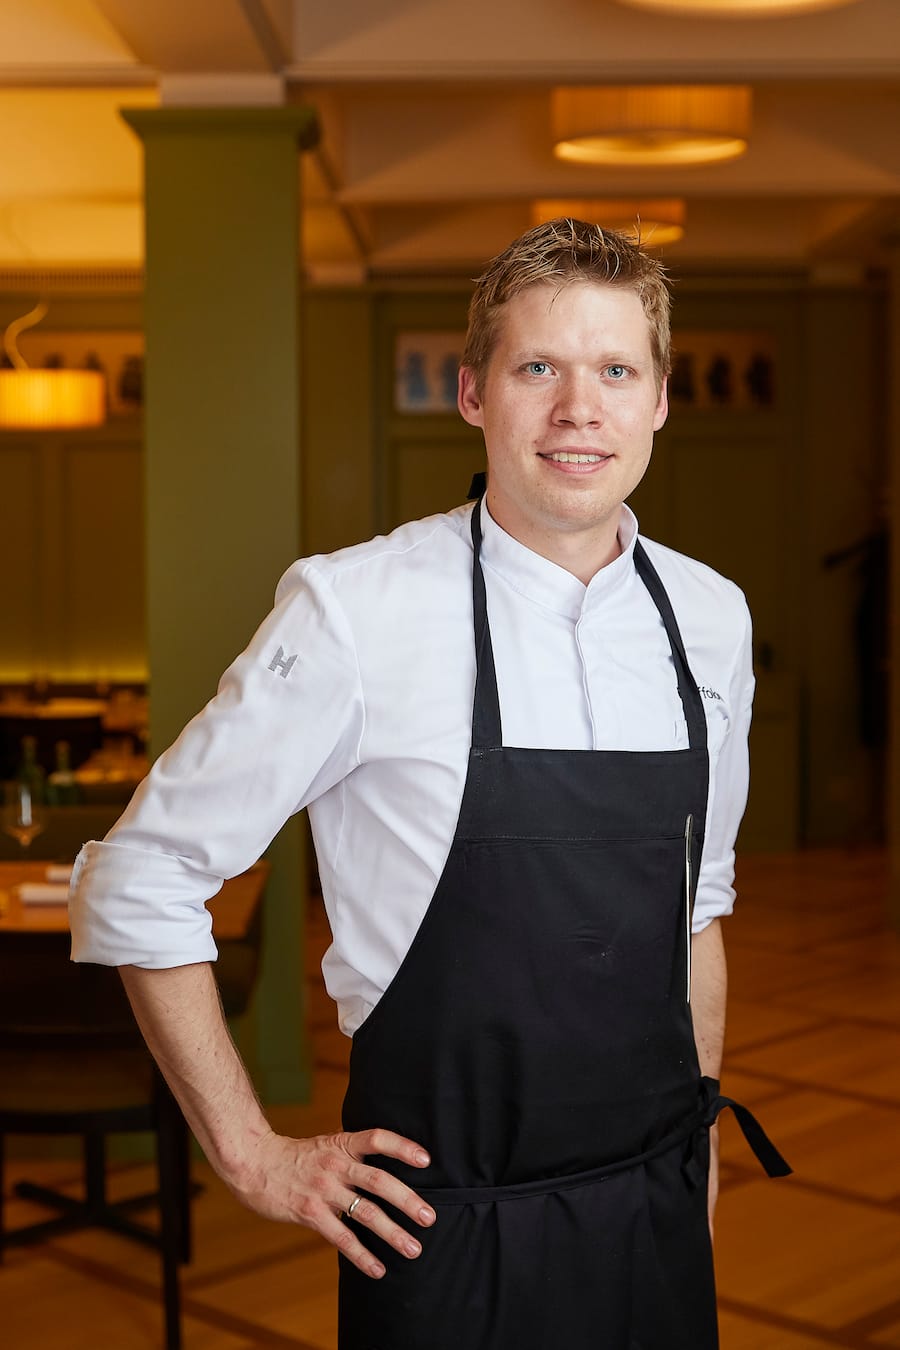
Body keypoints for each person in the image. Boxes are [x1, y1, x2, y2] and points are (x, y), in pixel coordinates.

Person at [69, 218, 789, 1349]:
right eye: (537, 367)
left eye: (615, 370)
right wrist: (252, 1155)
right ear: (473, 393)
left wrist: (693, 1158)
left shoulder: (709, 614)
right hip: (444, 1233)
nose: (577, 409)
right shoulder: (358, 611)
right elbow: (139, 878)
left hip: (652, 1212)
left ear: (657, 400)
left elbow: (696, 911)